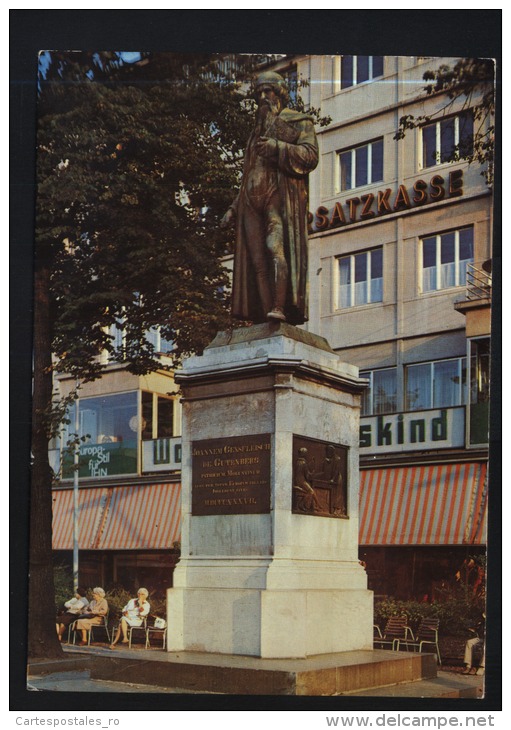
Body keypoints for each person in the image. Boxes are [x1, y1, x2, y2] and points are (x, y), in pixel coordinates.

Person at [221, 71, 319, 325]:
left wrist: (278, 148)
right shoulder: (254, 133)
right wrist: (233, 207)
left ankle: (279, 306)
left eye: (269, 91)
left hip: (278, 196)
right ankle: (267, 313)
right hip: (249, 202)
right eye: (259, 93)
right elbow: (248, 173)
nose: (263, 97)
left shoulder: (299, 121)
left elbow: (310, 156)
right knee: (257, 263)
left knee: (275, 250)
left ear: (281, 93)